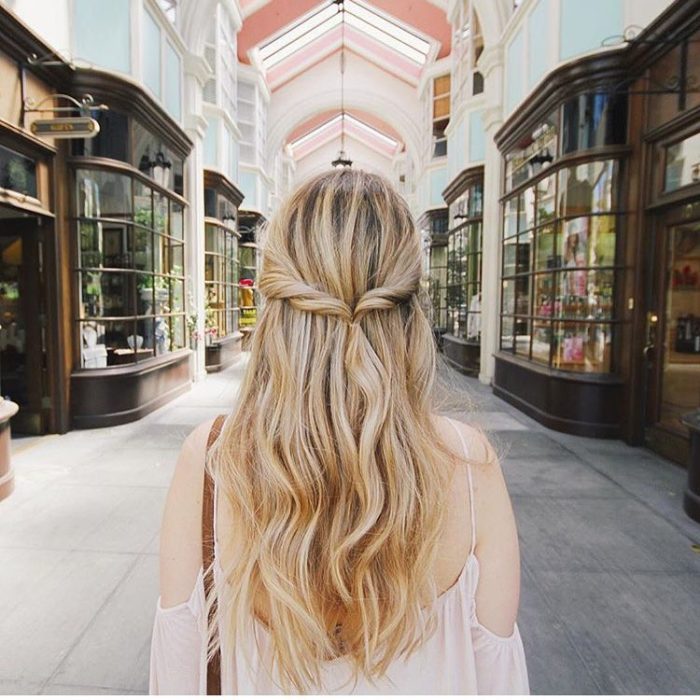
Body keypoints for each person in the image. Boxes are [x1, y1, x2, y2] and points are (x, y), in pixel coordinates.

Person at [149, 169, 529, 694]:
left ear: (274, 306)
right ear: (410, 310)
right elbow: (499, 684)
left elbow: (177, 679)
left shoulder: (213, 462)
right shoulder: (469, 468)